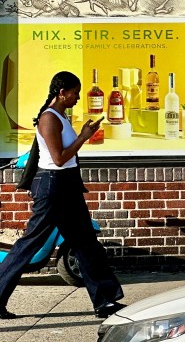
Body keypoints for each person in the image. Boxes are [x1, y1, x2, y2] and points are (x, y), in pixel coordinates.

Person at [0, 71, 125, 319]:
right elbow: (58, 159)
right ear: (61, 92)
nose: (78, 98)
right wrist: (83, 137)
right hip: (53, 187)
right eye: (75, 93)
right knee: (30, 244)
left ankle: (105, 302)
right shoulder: (49, 118)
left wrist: (81, 136)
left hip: (65, 186)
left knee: (86, 243)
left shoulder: (60, 116)